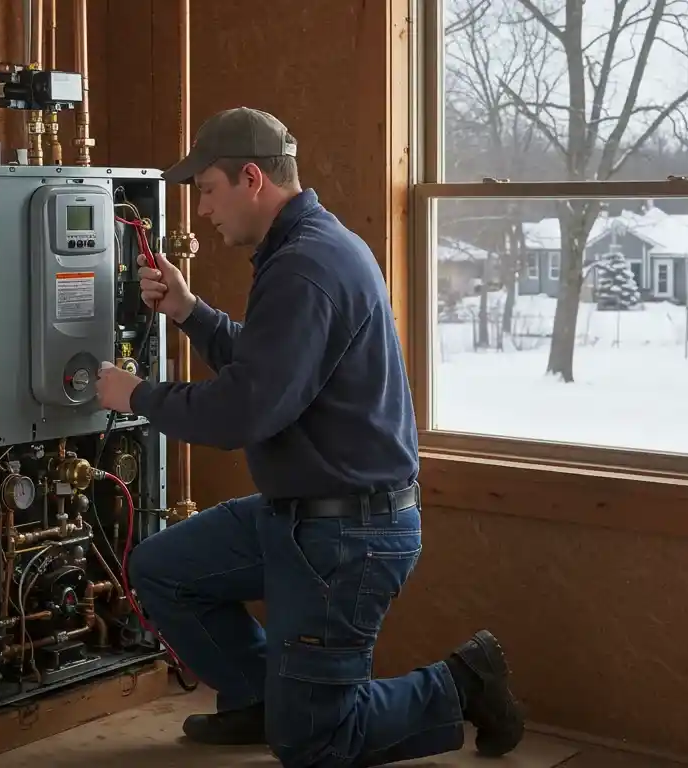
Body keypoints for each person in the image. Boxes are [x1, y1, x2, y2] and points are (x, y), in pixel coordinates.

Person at [94, 107, 524, 767]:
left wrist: (138, 396)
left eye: (207, 189)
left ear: (250, 178)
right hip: (301, 513)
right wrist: (188, 312)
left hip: (346, 535)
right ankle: (263, 699)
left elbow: (245, 412)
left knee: (315, 743)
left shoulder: (305, 266)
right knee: (163, 570)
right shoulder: (305, 249)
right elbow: (274, 370)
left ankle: (463, 682)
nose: (202, 210)